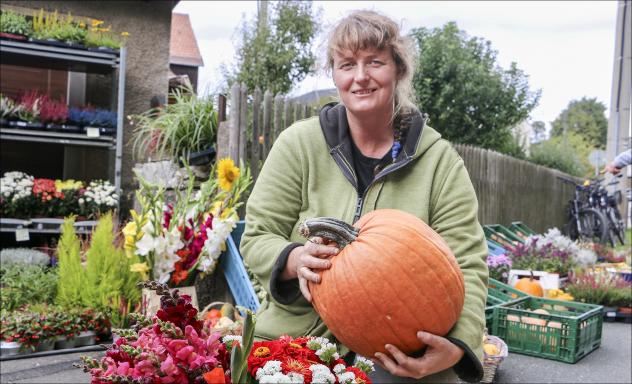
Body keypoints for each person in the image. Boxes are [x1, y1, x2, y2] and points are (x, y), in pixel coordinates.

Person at [240, 10, 488, 383]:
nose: (360, 77)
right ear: (335, 75)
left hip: (402, 355)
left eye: (375, 62)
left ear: (399, 70)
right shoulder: (299, 145)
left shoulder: (438, 161)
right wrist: (294, 258)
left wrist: (457, 344)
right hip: (298, 346)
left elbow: (467, 262)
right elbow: (257, 236)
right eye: (346, 64)